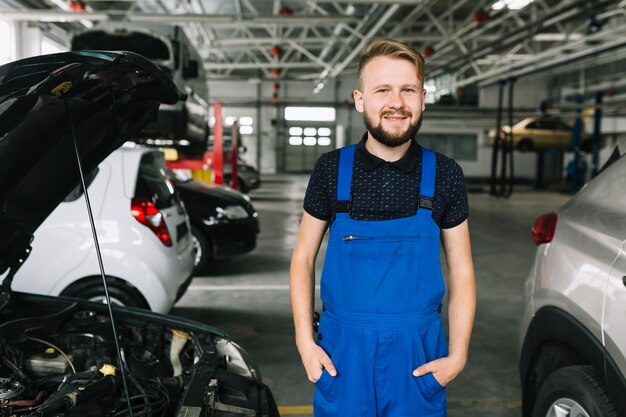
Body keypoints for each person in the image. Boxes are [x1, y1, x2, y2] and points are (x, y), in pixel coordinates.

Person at [290, 38, 476, 417]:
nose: (397, 102)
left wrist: (457, 356)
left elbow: (463, 272)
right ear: (360, 100)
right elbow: (302, 259)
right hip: (343, 355)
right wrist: (305, 343)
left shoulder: (445, 175)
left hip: (417, 356)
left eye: (407, 89)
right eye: (382, 90)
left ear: (422, 98)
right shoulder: (330, 170)